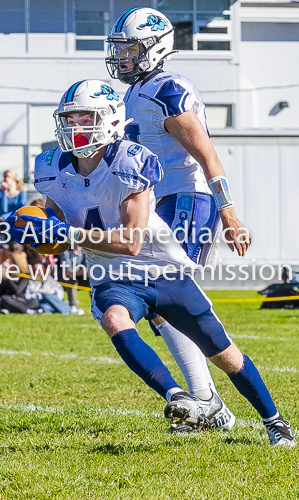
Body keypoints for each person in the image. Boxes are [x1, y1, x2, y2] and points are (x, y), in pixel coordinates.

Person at [9, 80, 294, 445]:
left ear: (110, 120)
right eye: (70, 119)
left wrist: (68, 235)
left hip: (161, 270)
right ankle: (179, 398)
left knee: (226, 356)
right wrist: (34, 231)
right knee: (114, 319)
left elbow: (129, 243)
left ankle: (273, 419)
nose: (76, 128)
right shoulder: (51, 167)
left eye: (85, 118)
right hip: (111, 276)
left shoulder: (131, 161)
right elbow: (56, 221)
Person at [105, 7, 249, 428]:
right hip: (158, 203)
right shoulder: (137, 91)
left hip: (187, 199)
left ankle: (207, 402)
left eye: (131, 49)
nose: (123, 58)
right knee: (157, 302)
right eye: (121, 49)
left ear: (155, 48)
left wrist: (229, 211)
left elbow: (207, 155)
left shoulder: (168, 89)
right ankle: (206, 401)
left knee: (166, 296)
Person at [59, 246, 89, 315]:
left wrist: (84, 272)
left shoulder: (85, 252)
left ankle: (95, 305)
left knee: (91, 279)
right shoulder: (65, 251)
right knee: (72, 279)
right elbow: (67, 272)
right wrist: (81, 271)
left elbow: (88, 269)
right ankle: (73, 306)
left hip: (80, 278)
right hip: (64, 279)